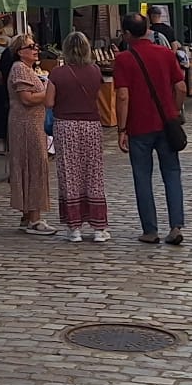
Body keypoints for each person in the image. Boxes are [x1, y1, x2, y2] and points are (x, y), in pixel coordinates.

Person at [112, 14, 186, 246]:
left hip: (139, 126)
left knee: (142, 178)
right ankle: (175, 226)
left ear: (126, 34)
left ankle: (150, 230)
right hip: (166, 124)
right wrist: (173, 110)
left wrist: (121, 128)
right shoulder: (165, 54)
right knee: (172, 175)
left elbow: (123, 96)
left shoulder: (124, 59)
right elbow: (181, 86)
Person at [48, 31, 112, 242]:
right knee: (93, 173)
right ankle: (98, 227)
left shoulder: (57, 74)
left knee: (69, 174)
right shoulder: (94, 71)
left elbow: (49, 102)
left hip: (65, 125)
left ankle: (74, 227)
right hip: (91, 125)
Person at [3, 38, 58, 236]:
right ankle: (34, 218)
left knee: (31, 165)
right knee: (34, 164)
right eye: (31, 47)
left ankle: (28, 214)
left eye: (36, 46)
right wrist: (50, 92)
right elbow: (27, 99)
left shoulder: (28, 69)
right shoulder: (20, 69)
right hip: (26, 125)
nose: (36, 50)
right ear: (20, 51)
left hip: (32, 123)